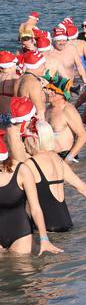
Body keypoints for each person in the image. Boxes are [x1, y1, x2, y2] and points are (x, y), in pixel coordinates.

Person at [18, 119, 86, 233]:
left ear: (34, 140)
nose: (23, 143)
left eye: (23, 139)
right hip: (67, 223)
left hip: (46, 228)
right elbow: (82, 187)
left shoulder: (29, 164)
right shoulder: (58, 160)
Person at [0, 107, 62, 255]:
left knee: (25, 273)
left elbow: (35, 208)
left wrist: (44, 238)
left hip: (20, 233)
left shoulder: (22, 171)